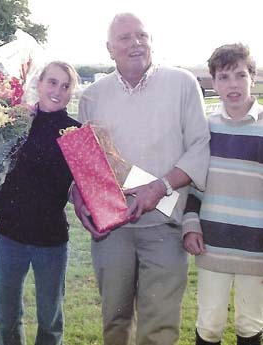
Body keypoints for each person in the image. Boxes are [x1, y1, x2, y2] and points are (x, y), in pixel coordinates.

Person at [72, 13, 211, 345]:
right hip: (112, 231)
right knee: (115, 322)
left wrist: (159, 187)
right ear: (109, 49)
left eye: (142, 36)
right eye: (125, 38)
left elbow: (199, 146)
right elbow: (84, 163)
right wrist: (78, 196)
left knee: (159, 327)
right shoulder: (93, 96)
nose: (135, 43)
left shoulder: (182, 84)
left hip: (164, 225)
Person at [0, 61, 81, 345]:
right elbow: (7, 176)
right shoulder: (15, 123)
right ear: (39, 84)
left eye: (66, 86)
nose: (57, 90)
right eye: (52, 82)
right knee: (6, 316)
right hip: (11, 236)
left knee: (50, 320)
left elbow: (49, 191)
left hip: (50, 240)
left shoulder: (75, 133)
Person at [183, 43, 263, 345]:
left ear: (252, 78)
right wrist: (190, 225)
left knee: (250, 324)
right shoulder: (205, 130)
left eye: (240, 75)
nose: (233, 85)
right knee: (209, 324)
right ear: (214, 83)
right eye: (225, 77)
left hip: (256, 249)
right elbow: (192, 184)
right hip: (212, 245)